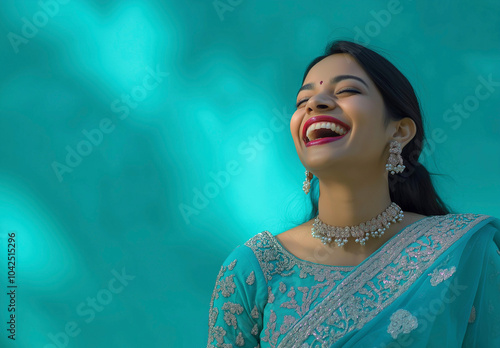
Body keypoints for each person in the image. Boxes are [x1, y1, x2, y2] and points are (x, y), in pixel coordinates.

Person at [206, 40, 500, 347]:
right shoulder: (255, 269)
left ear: (399, 131)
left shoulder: (461, 252)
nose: (315, 104)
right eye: (302, 99)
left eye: (346, 91)